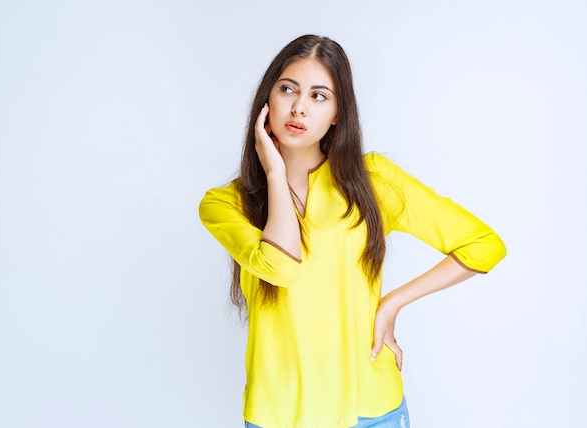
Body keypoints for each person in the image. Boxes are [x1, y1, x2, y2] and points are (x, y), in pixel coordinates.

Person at [199, 34, 506, 428]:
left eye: (318, 96)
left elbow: (483, 245)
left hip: (370, 410)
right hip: (278, 414)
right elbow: (279, 268)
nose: (298, 107)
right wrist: (275, 172)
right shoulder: (225, 203)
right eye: (287, 89)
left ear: (338, 114)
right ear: (267, 100)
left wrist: (391, 304)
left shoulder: (372, 180)